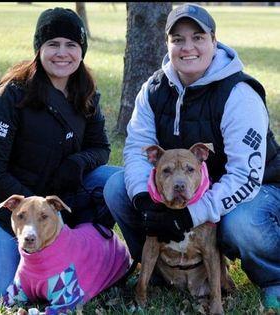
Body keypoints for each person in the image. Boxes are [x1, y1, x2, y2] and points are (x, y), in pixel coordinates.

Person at [104, 3, 280, 310]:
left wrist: (190, 215)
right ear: (167, 44)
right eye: (178, 39)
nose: (188, 48)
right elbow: (135, 149)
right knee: (117, 188)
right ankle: (163, 269)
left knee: (240, 223)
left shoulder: (239, 94)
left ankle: (273, 278)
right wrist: (147, 201)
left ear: (214, 40)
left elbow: (245, 177)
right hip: (181, 185)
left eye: (198, 37)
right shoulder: (153, 89)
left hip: (258, 189)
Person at [0, 7, 121, 298]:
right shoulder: (11, 94)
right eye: (53, 44)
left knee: (118, 181)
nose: (62, 53)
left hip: (49, 204)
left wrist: (77, 162)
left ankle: (101, 251)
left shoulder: (86, 92)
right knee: (2, 291)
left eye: (71, 45)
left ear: (81, 50)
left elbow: (101, 148)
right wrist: (31, 206)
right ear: (39, 49)